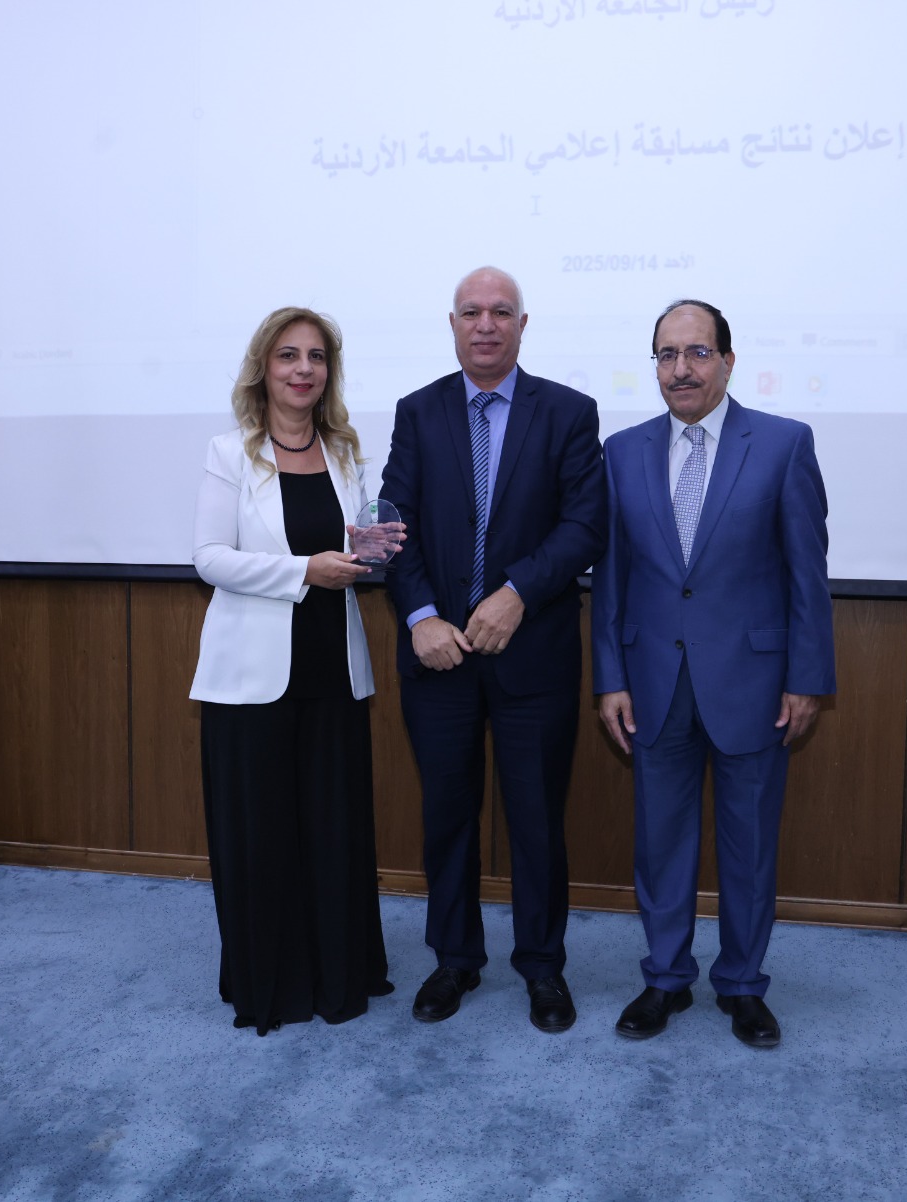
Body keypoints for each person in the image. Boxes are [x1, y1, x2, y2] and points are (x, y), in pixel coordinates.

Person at [591, 299, 835, 1047]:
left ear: (728, 361)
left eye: (697, 352)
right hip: (652, 682)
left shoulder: (784, 444)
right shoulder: (622, 452)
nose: (681, 369)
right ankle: (665, 979)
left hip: (755, 685)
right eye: (667, 355)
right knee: (660, 842)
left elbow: (807, 575)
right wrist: (609, 678)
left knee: (749, 845)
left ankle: (742, 985)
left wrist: (807, 679)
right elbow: (612, 578)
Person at [380, 267, 605, 1032]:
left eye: (501, 312)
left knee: (537, 820)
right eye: (471, 312)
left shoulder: (568, 412)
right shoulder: (418, 412)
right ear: (452, 324)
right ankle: (454, 959)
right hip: (437, 658)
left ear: (522, 325)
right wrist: (420, 616)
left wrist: (517, 593)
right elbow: (394, 522)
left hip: (533, 655)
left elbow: (585, 525)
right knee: (447, 816)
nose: (485, 324)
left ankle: (542, 967)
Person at [189, 306, 399, 1035]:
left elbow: (349, 545)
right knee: (263, 835)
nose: (303, 369)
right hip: (250, 678)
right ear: (263, 369)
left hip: (333, 668)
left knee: (333, 830)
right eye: (288, 355)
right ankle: (272, 985)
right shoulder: (229, 453)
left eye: (316, 356)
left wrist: (370, 549)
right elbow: (209, 558)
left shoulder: (344, 452)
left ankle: (338, 976)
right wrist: (303, 571)